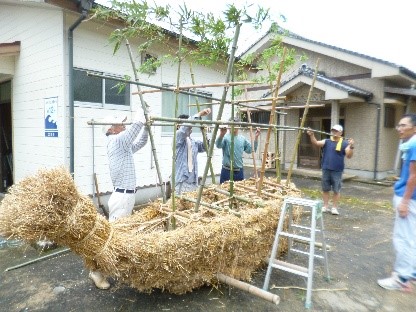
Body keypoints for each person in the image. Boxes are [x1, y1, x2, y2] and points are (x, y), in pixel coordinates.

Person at [89, 112, 149, 290]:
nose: (123, 126)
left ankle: (104, 269)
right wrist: (142, 115)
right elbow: (132, 132)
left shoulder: (122, 145)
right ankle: (97, 272)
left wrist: (146, 126)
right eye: (119, 124)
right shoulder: (116, 141)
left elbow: (141, 142)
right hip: (122, 197)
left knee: (116, 236)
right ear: (110, 129)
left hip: (125, 196)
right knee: (111, 238)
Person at [377, 113, 416, 291]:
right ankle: (411, 273)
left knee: (403, 238)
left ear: (414, 127)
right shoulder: (411, 144)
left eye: (403, 125)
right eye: (398, 125)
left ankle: (401, 278)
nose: (399, 128)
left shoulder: (414, 144)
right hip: (411, 197)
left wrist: (405, 202)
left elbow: (414, 176)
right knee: (411, 237)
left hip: (409, 198)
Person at [306, 124, 354, 215]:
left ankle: (334, 208)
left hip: (337, 170)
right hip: (326, 168)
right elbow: (316, 143)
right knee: (325, 189)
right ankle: (325, 206)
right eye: (333, 131)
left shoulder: (345, 143)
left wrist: (351, 146)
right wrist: (312, 135)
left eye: (336, 131)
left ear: (341, 132)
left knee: (336, 189)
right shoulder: (327, 141)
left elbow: (349, 155)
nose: (334, 132)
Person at [174, 108, 212, 194]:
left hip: (193, 182)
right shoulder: (178, 138)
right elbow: (184, 129)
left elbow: (205, 147)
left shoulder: (193, 141)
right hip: (182, 182)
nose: (190, 127)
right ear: (179, 126)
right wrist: (199, 114)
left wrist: (205, 133)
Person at [215, 117, 261, 184]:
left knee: (238, 192)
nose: (232, 126)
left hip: (239, 171)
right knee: (225, 192)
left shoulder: (242, 139)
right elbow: (218, 145)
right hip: (227, 171)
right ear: (228, 126)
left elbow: (251, 150)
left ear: (239, 126)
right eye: (230, 124)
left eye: (235, 124)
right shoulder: (225, 138)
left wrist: (256, 137)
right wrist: (221, 134)